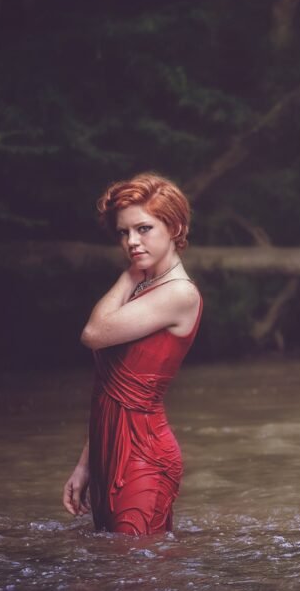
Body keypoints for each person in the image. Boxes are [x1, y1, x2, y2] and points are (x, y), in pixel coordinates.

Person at [62, 172, 203, 535]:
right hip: (109, 453)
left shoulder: (178, 294)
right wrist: (86, 465)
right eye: (124, 233)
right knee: (116, 572)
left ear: (174, 227)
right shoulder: (145, 289)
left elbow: (92, 334)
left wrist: (129, 273)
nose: (132, 241)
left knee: (135, 574)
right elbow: (108, 389)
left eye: (143, 229)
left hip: (145, 456)